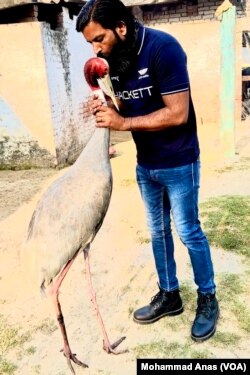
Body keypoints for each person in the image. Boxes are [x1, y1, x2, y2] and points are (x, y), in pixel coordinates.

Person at [76, 0, 219, 342]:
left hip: (180, 161)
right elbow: (127, 102)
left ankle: (208, 297)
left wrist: (123, 122)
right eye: (91, 44)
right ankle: (170, 295)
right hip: (147, 165)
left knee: (188, 232)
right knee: (158, 233)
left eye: (99, 39)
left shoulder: (163, 49)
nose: (96, 49)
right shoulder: (116, 60)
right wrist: (105, 105)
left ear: (121, 28)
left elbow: (177, 113)